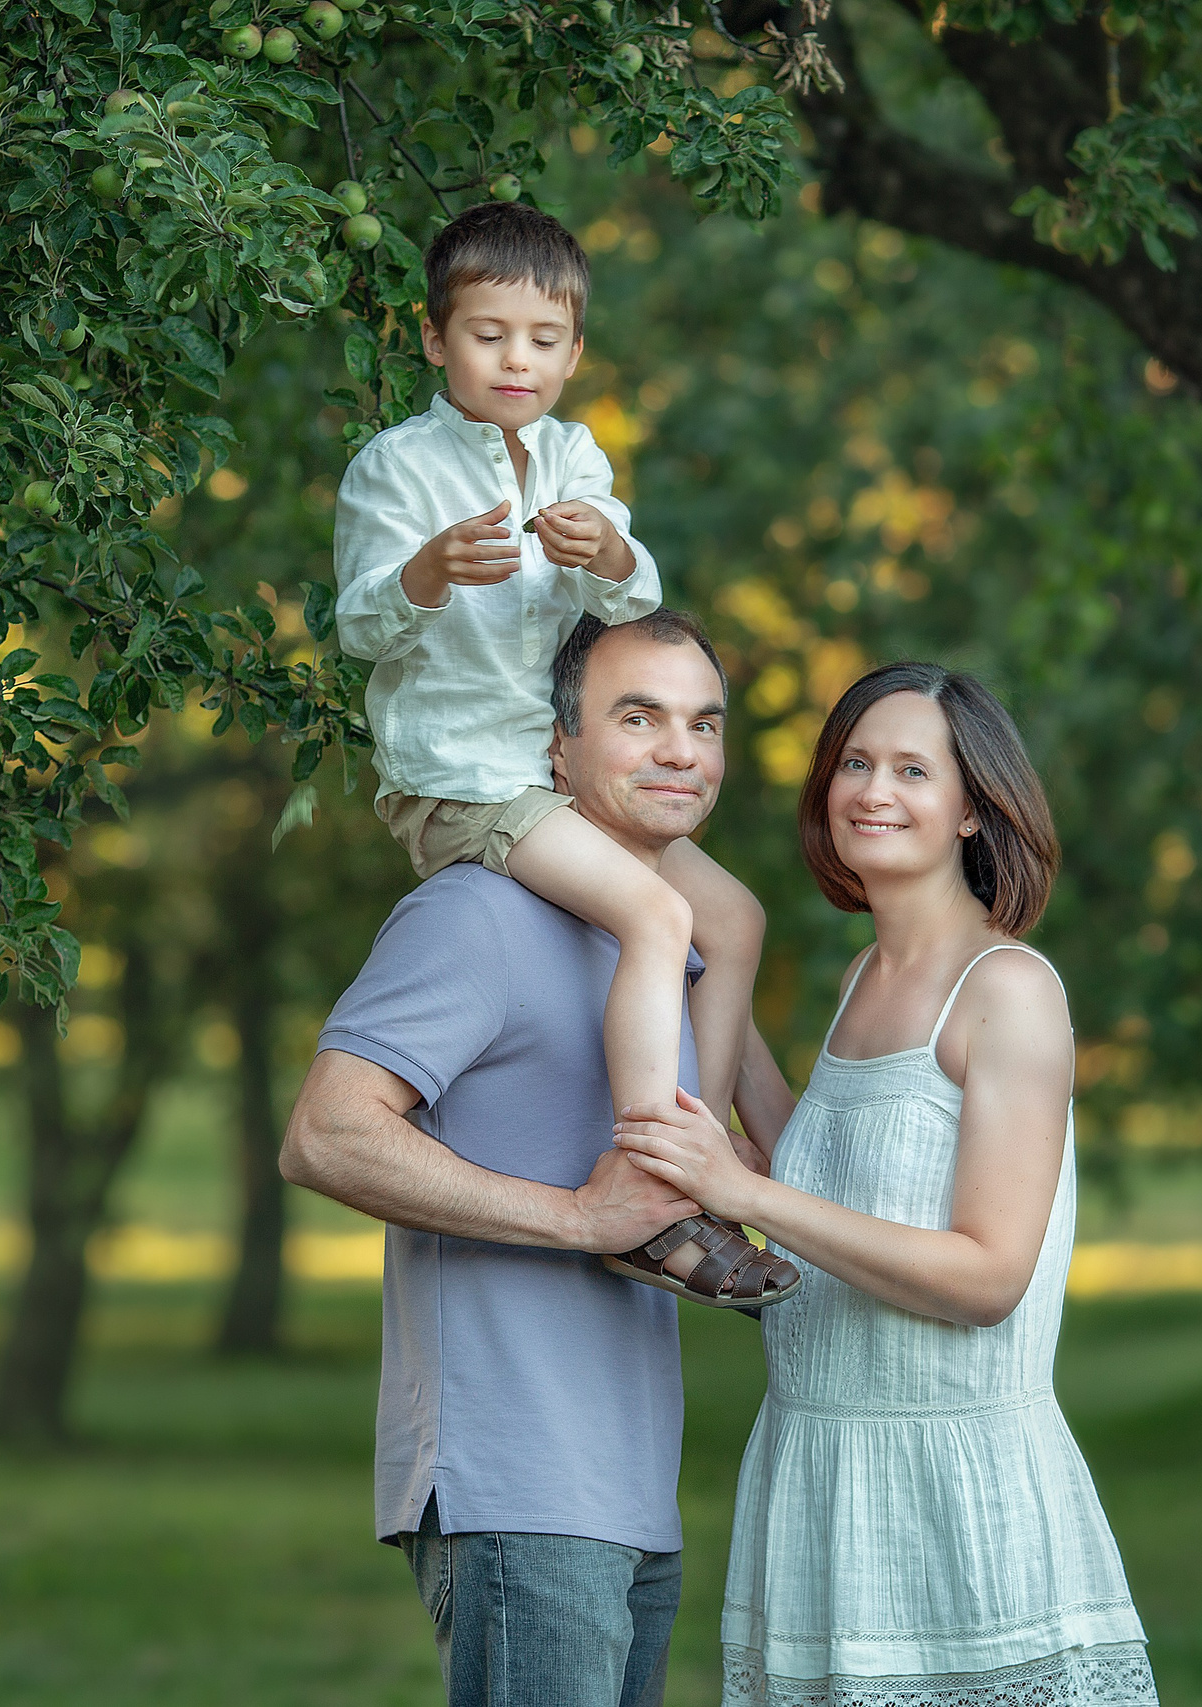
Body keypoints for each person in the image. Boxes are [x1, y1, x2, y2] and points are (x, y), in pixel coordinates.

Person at [279, 612, 802, 1707]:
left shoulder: (661, 952)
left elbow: (773, 1150)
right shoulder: (474, 913)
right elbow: (326, 1132)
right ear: (554, 747)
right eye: (637, 717)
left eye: (704, 724)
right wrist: (576, 1217)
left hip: (628, 1489)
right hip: (514, 1484)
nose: (680, 750)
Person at [614, 663, 1162, 1706]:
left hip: (953, 1502)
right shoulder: (865, 980)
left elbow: (987, 1276)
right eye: (856, 763)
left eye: (913, 769)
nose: (874, 789)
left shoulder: (1007, 991)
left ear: (970, 810)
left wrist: (744, 1194)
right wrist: (686, 943)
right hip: (820, 1481)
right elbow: (812, 1173)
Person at [333, 200, 784, 1308]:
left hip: (548, 778)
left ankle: (703, 1169)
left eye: (542, 341)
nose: (516, 360)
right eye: (488, 335)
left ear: (575, 351)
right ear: (436, 338)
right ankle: (646, 1182)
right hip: (463, 781)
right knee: (656, 916)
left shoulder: (575, 455)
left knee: (732, 918)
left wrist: (614, 552)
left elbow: (634, 605)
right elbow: (356, 627)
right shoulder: (393, 471)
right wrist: (428, 573)